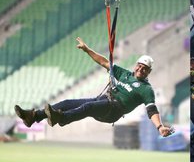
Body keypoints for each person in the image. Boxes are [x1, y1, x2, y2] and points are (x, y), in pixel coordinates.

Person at [14, 37, 173, 137]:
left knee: (88, 106)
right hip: (105, 101)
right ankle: (33, 116)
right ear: (136, 65)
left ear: (149, 71)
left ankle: (61, 118)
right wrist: (87, 50)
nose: (140, 69)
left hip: (113, 111)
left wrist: (159, 127)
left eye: (145, 68)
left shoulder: (146, 89)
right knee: (68, 102)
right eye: (139, 65)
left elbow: (152, 110)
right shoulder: (124, 74)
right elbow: (104, 62)